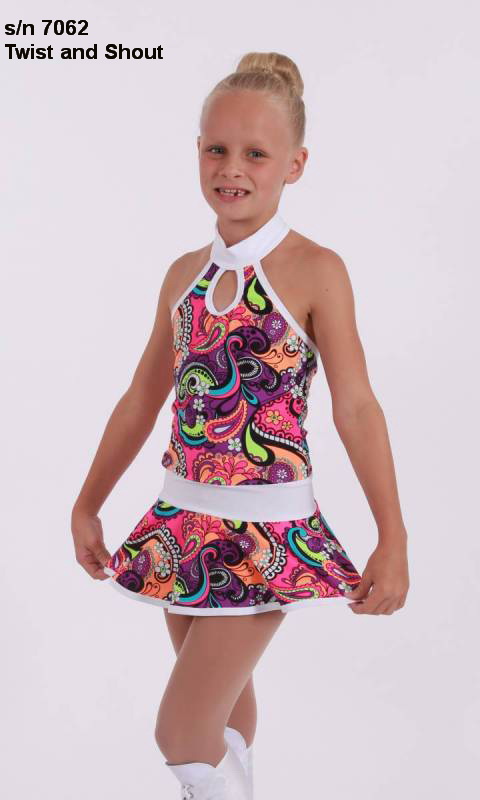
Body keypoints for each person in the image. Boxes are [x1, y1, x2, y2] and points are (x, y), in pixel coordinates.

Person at [71, 51, 410, 800]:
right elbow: (141, 398)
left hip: (266, 535)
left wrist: (393, 535)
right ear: (197, 150)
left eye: (256, 153)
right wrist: (87, 502)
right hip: (180, 524)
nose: (232, 168)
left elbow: (357, 406)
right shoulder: (183, 274)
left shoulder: (317, 270)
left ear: (295, 164)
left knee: (180, 731)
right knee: (224, 720)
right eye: (217, 149)